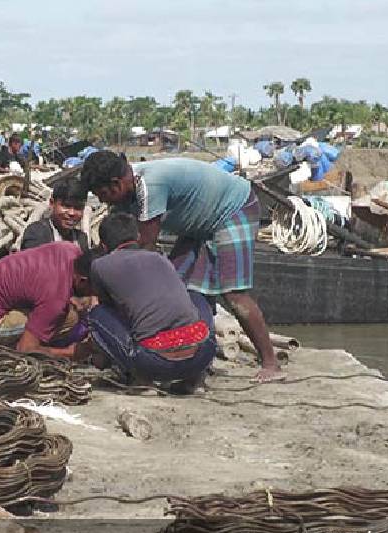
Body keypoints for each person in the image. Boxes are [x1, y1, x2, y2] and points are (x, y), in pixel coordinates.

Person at [80, 151, 282, 382]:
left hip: (232, 209)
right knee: (182, 286)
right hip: (197, 224)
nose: (104, 202)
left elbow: (144, 247)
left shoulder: (149, 185)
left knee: (233, 294)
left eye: (103, 195)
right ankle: (197, 362)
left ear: (116, 184)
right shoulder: (128, 188)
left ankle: (270, 362)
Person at [82, 213, 215, 392]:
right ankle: (195, 378)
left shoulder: (100, 265)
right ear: (137, 237)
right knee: (196, 298)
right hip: (200, 355)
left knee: (96, 314)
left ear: (103, 245)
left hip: (152, 362)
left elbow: (109, 308)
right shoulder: (160, 258)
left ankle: (143, 381)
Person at [0, 242, 90, 359]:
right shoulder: (55, 300)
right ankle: (7, 350)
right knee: (69, 318)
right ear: (83, 281)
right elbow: (25, 349)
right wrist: (69, 352)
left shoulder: (69, 250)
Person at [20, 178, 90, 252]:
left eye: (78, 208)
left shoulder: (81, 239)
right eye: (66, 206)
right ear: (52, 203)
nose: (71, 213)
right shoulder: (37, 233)